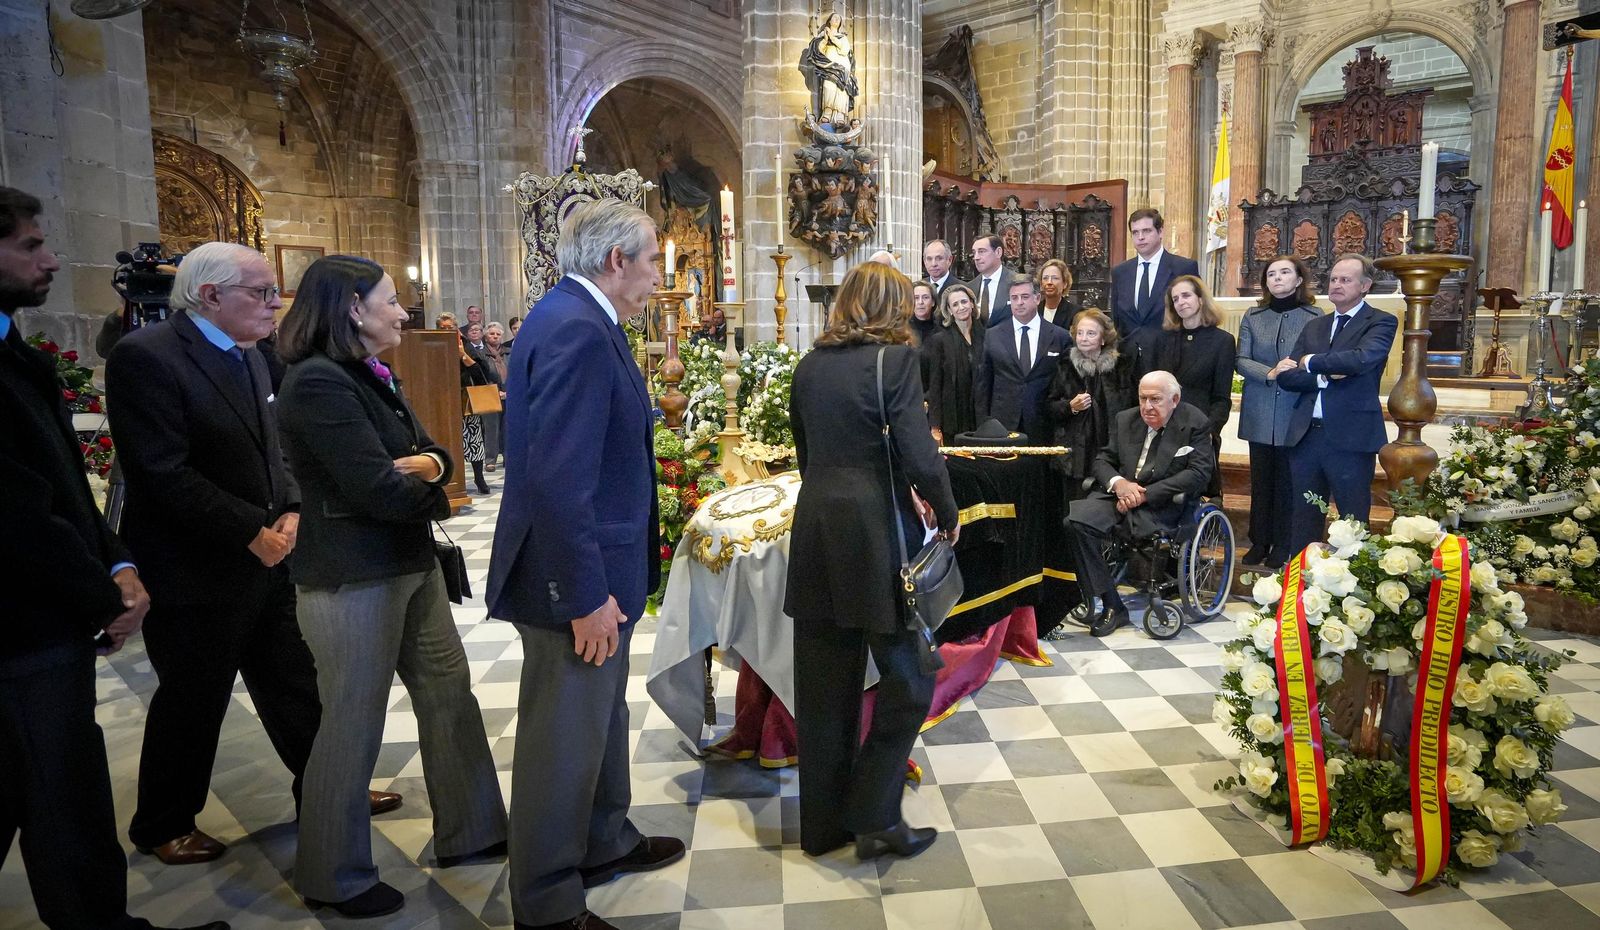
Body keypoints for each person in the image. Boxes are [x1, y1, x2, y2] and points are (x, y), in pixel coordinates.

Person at [108, 242, 402, 867]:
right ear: (209, 296)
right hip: (195, 563)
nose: (275, 304)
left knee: (295, 681)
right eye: (260, 292)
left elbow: (280, 450)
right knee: (195, 696)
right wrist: (250, 528)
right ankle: (164, 821)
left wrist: (291, 509)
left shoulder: (259, 357)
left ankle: (326, 790)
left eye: (275, 291)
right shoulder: (147, 358)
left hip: (270, 554)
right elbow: (161, 470)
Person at [0, 185, 228, 930]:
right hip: (20, 627)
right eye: (32, 244)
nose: (52, 259)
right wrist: (102, 592)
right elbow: (14, 509)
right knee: (60, 801)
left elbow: (64, 480)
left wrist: (115, 562)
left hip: (51, 612)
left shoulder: (13, 350)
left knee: (60, 795)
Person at [276, 255, 508, 919]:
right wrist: (434, 486)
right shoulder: (317, 383)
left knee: (448, 692)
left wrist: (429, 468)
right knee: (351, 723)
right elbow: (376, 488)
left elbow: (435, 450)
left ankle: (473, 829)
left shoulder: (368, 372)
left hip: (408, 563)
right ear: (351, 307)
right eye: (389, 301)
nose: (401, 312)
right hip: (350, 575)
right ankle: (335, 874)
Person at [486, 200, 685, 930]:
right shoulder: (575, 329)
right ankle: (544, 899)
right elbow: (558, 480)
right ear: (616, 261)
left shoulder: (578, 318)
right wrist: (584, 593)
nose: (660, 277)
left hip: (596, 568)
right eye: (654, 261)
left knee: (599, 716)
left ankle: (604, 840)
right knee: (561, 739)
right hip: (574, 578)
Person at [785, 260, 959, 860]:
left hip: (815, 533)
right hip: (876, 536)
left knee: (824, 687)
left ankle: (823, 828)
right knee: (911, 678)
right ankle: (874, 812)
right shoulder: (896, 360)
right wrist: (947, 509)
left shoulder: (808, 367)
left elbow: (806, 455)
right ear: (891, 306)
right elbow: (919, 451)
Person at [1064, 370, 1214, 636]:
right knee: (1075, 523)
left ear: (1175, 399)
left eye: (1155, 399)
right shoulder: (1126, 419)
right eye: (1143, 398)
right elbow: (1102, 460)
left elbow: (1198, 473)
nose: (1147, 406)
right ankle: (1112, 603)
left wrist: (1143, 494)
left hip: (1161, 502)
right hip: (1120, 494)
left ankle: (1110, 600)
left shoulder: (1195, 422)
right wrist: (1120, 485)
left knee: (1129, 525)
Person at [1277, 253, 1397, 556]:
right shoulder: (1315, 327)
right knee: (1303, 517)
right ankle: (1299, 585)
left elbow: (1360, 360)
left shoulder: (1381, 321)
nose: (1337, 285)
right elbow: (1287, 377)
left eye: (1346, 280)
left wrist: (1310, 362)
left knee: (1353, 520)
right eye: (1333, 279)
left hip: (1351, 437)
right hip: (1306, 436)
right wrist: (1324, 377)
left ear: (1365, 286)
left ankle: (1353, 593)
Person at [1237, 255, 1323, 569]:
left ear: (1299, 279)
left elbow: (1319, 359)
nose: (1277, 278)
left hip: (1294, 410)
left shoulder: (1314, 315)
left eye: (1285, 272)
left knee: (1289, 481)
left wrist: (1297, 366)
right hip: (1259, 408)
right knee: (1261, 482)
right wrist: (1270, 372)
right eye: (1271, 274)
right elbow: (1241, 359)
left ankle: (1283, 544)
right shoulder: (1253, 315)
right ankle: (1259, 541)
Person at [1147, 275, 1235, 498]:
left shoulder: (1222, 341)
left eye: (1186, 295)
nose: (1181, 302)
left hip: (1200, 429)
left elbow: (1221, 398)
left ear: (1201, 299)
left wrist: (1209, 431)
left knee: (1197, 495)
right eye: (1175, 299)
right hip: (1164, 426)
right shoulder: (1163, 339)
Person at [1046, 307, 1138, 504]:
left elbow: (1133, 407)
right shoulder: (1066, 365)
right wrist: (1070, 406)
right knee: (1074, 507)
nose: (1083, 338)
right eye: (1080, 333)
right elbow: (1050, 407)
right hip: (1076, 454)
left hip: (1112, 449)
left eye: (1091, 333)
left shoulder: (1122, 367)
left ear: (1103, 338)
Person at [975, 276, 1069, 444]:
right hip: (1003, 423)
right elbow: (984, 383)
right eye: (1014, 298)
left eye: (1025, 297)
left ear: (1037, 298)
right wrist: (984, 421)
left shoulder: (1059, 336)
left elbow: (1065, 384)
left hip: (1044, 422)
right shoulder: (993, 335)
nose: (1019, 302)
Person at [1109, 208, 1200, 342]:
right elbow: (1116, 319)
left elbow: (1196, 315)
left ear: (1161, 231)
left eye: (1146, 231)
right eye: (1135, 232)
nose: (1140, 237)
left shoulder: (1183, 267)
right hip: (1129, 358)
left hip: (1169, 354)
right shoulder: (1120, 272)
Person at [923, 282, 984, 443]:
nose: (961, 307)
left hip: (981, 416)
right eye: (955, 304)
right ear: (949, 310)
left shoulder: (986, 336)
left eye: (964, 302)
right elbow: (935, 385)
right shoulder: (940, 341)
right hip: (952, 418)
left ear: (972, 303)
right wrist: (935, 427)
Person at [457, 322, 492, 494]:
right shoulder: (431, 345)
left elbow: (481, 375)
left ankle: (479, 478)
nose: (447, 331)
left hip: (465, 399)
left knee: (474, 440)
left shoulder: (466, 346)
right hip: (441, 402)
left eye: (451, 328)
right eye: (443, 327)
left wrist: (463, 355)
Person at [465, 320, 504, 473]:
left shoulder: (507, 351)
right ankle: (490, 460)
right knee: (491, 428)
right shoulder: (480, 354)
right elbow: (480, 374)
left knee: (507, 427)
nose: (495, 336)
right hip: (490, 393)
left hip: (508, 392)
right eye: (492, 334)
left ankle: (509, 458)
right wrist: (495, 390)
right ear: (486, 337)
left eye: (498, 334)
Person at [966, 234, 1017, 327]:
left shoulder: (1016, 283)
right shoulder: (969, 287)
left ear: (998, 252)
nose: (976, 257)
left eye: (981, 251)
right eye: (974, 253)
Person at [1038, 258, 1080, 328]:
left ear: (1065, 284)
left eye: (1055, 278)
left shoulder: (1075, 313)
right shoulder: (1034, 311)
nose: (1049, 282)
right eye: (1045, 278)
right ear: (1041, 284)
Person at [908, 279, 940, 347]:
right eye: (916, 298)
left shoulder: (942, 328)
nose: (920, 302)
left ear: (933, 302)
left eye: (925, 297)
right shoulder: (902, 330)